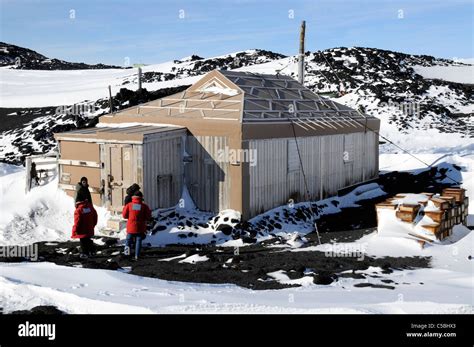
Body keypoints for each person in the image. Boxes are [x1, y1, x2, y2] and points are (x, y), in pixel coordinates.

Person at [122, 191, 151, 260]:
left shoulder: (129, 205)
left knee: (128, 241)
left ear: (133, 197)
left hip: (131, 227)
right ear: (141, 197)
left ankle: (126, 254)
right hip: (140, 227)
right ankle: (137, 256)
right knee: (138, 240)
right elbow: (148, 217)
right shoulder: (144, 206)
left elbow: (124, 215)